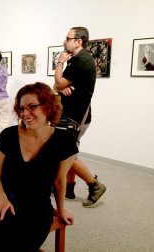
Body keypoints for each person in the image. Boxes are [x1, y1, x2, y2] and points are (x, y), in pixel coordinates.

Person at [0, 82, 76, 251]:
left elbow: (59, 180)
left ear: (49, 107)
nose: (25, 114)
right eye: (21, 108)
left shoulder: (64, 141)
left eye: (32, 107)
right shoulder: (8, 135)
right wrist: (2, 198)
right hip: (6, 203)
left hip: (38, 209)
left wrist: (61, 209)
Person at [53, 26, 107, 207]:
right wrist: (60, 86)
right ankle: (69, 188)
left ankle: (95, 185)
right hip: (71, 114)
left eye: (67, 38)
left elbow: (59, 83)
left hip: (76, 117)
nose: (64, 41)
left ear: (78, 41)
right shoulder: (77, 59)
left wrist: (59, 63)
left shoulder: (81, 61)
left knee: (66, 153)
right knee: (70, 150)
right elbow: (58, 86)